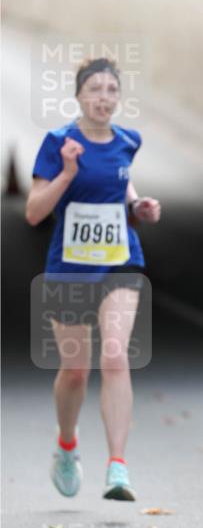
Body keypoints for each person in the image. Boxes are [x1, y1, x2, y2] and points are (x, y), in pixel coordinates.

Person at [26, 57, 161, 501]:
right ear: (79, 95)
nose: (104, 97)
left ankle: (117, 466)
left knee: (117, 356)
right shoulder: (58, 142)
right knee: (76, 371)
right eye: (95, 90)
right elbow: (33, 212)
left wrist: (140, 207)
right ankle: (67, 445)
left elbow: (121, 186)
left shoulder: (128, 141)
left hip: (121, 261)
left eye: (111, 90)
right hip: (69, 267)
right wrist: (66, 172)